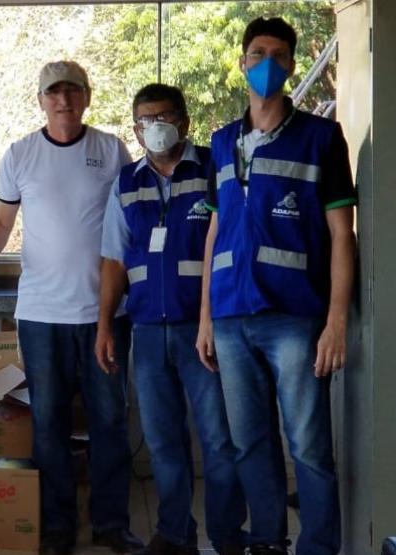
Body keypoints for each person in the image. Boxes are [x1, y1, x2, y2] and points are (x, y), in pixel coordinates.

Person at [0, 60, 142, 555]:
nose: (63, 100)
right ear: (40, 100)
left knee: (109, 422)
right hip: (41, 315)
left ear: (87, 96)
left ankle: (111, 524)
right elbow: (1, 220)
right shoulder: (20, 155)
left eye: (72, 91)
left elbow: (133, 218)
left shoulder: (110, 150)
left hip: (106, 314)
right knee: (49, 423)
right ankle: (57, 526)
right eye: (53, 93)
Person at [195, 17, 356, 555]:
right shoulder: (221, 143)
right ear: (242, 62)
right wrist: (206, 318)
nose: (268, 63)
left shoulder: (321, 138)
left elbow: (341, 234)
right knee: (249, 444)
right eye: (258, 52)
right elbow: (215, 232)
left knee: (308, 446)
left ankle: (317, 546)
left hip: (294, 320)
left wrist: (335, 322)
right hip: (232, 319)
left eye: (279, 55)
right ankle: (266, 542)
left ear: (290, 65)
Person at [96, 83, 246, 555]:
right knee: (163, 443)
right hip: (145, 330)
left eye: (163, 116)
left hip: (203, 329)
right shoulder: (126, 182)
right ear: (136, 128)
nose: (154, 127)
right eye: (144, 120)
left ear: (183, 121)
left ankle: (225, 535)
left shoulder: (214, 169)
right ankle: (174, 533)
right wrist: (105, 325)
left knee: (219, 441)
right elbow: (114, 261)